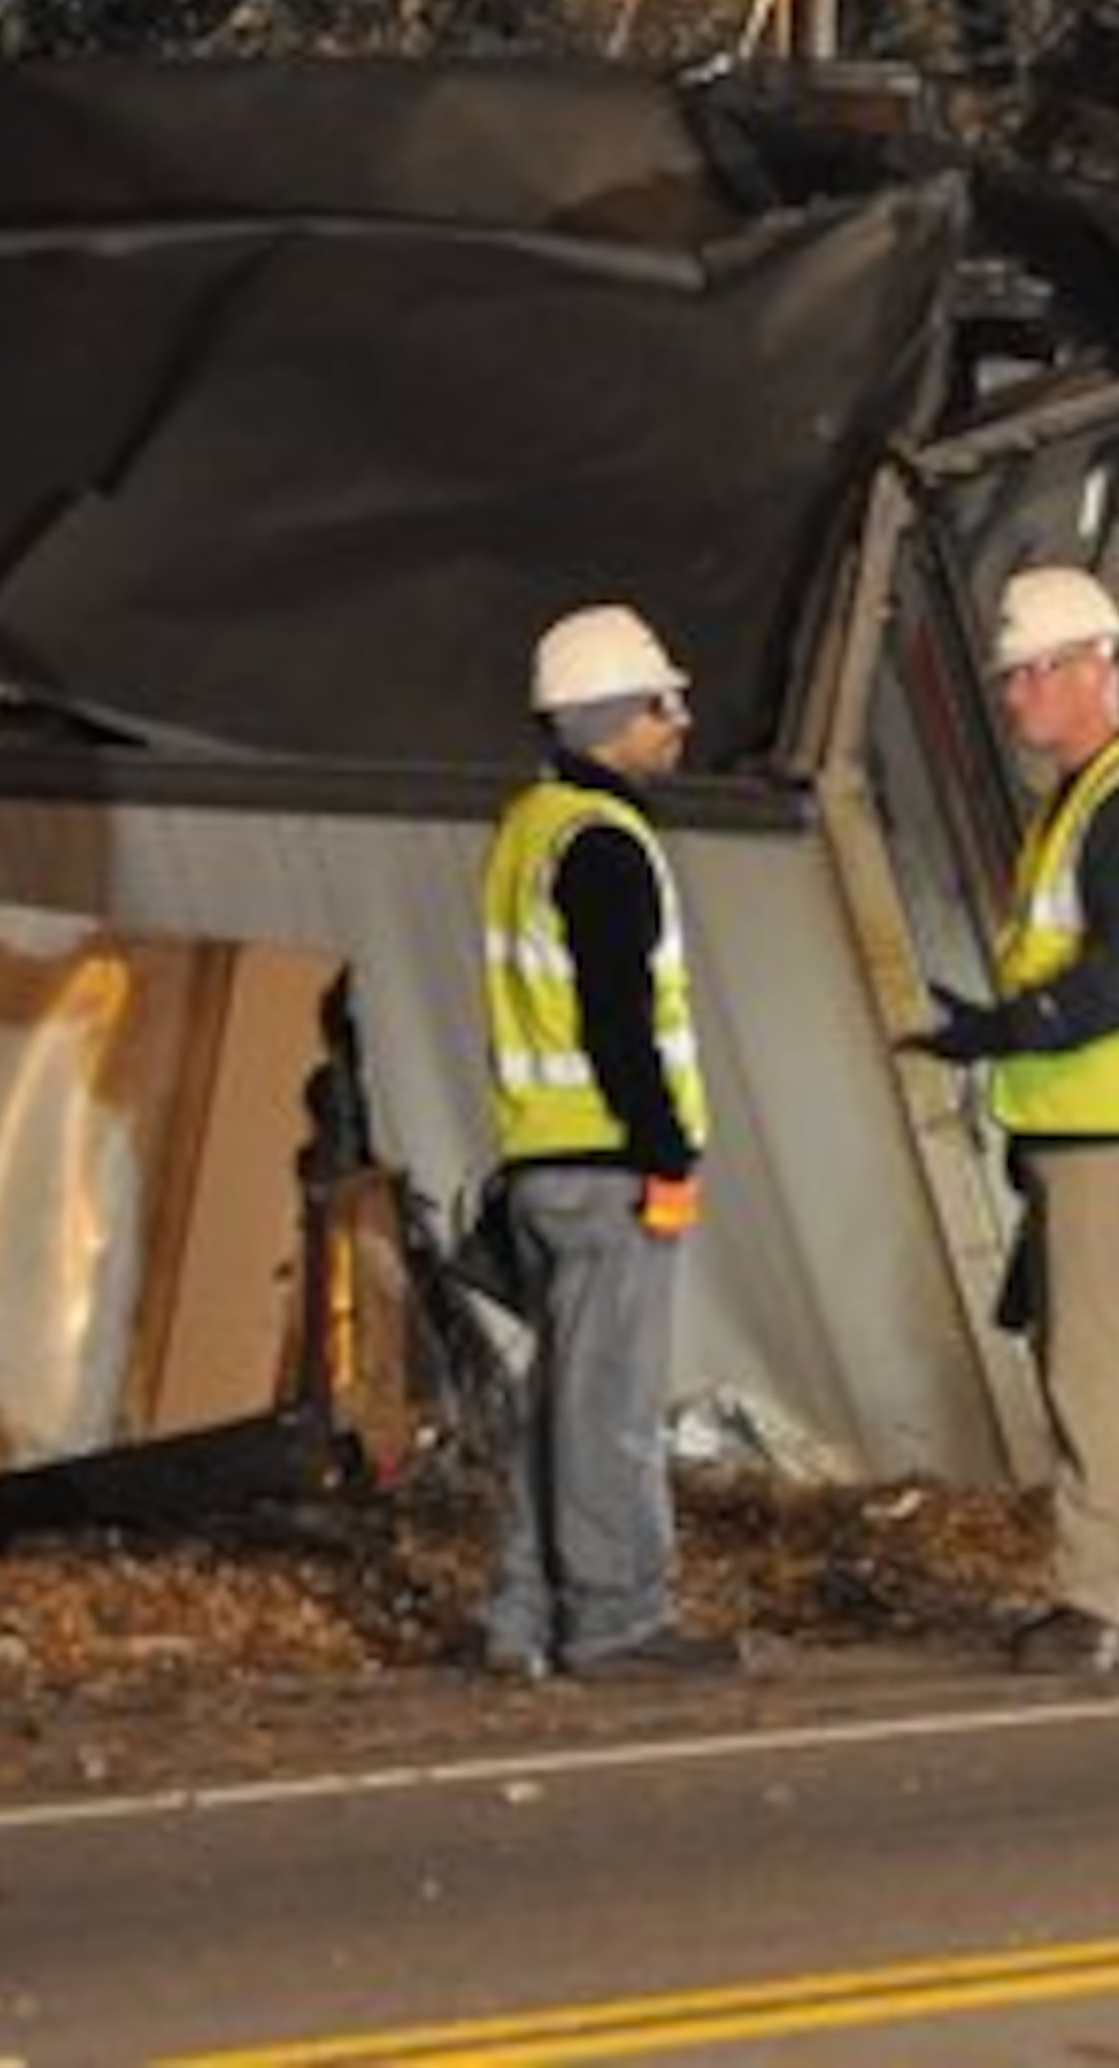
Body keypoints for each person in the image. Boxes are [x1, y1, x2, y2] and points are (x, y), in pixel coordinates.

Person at [906, 567, 1119, 1674]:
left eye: (1031, 674)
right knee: (1112, 1363)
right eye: (1011, 678)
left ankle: (1099, 1601)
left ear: (1094, 667)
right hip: (1101, 1126)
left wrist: (1005, 1031)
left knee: (1091, 1369)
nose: (1013, 698)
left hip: (1118, 1131)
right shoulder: (1098, 799)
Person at [473, 603, 744, 1683]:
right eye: (663, 704)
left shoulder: (530, 828)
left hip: (545, 1157)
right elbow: (620, 1020)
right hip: (610, 1162)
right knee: (613, 1411)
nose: (681, 723)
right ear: (613, 717)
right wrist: (667, 1147)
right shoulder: (604, 846)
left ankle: (523, 1615)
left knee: (563, 1402)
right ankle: (619, 1619)